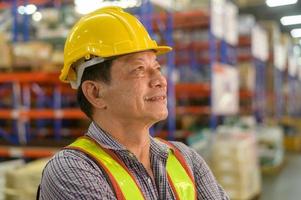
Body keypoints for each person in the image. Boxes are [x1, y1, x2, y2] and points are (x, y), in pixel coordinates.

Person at [38, 6, 229, 200]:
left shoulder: (186, 159)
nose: (160, 80)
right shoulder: (72, 170)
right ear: (95, 93)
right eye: (139, 69)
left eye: (157, 67)